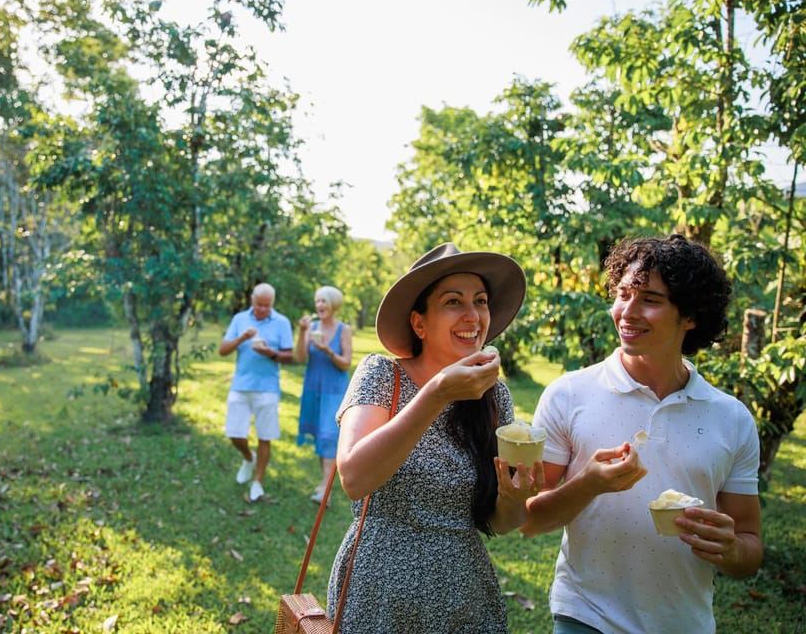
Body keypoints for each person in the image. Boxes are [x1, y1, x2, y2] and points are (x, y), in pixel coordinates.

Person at [521, 234, 763, 634]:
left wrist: (733, 549)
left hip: (685, 623)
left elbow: (750, 548)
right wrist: (588, 485)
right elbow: (527, 520)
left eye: (649, 300)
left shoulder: (731, 419)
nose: (626, 312)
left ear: (690, 315)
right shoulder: (569, 394)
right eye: (622, 294)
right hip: (585, 616)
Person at [326, 242, 543, 633]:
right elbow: (354, 477)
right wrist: (437, 392)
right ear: (419, 323)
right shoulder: (381, 376)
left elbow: (502, 521)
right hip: (379, 591)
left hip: (465, 594)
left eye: (480, 301)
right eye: (453, 302)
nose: (473, 315)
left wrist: (514, 497)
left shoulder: (495, 397)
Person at [218, 283, 294, 503]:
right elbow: (222, 351)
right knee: (234, 432)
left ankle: (258, 482)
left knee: (265, 435)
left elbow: (289, 357)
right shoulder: (240, 319)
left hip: (267, 387)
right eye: (259, 304)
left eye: (267, 305)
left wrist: (270, 353)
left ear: (272, 303)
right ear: (252, 301)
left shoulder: (282, 322)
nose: (262, 309)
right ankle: (248, 458)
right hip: (241, 384)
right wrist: (242, 338)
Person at [295, 285, 353, 504]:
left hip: (334, 391)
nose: (319, 305)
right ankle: (325, 481)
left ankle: (324, 489)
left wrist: (327, 351)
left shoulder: (343, 330)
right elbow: (299, 358)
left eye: (324, 301)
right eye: (317, 301)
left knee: (329, 436)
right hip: (313, 389)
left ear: (333, 305)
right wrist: (302, 333)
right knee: (320, 436)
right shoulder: (311, 328)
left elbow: (346, 363)